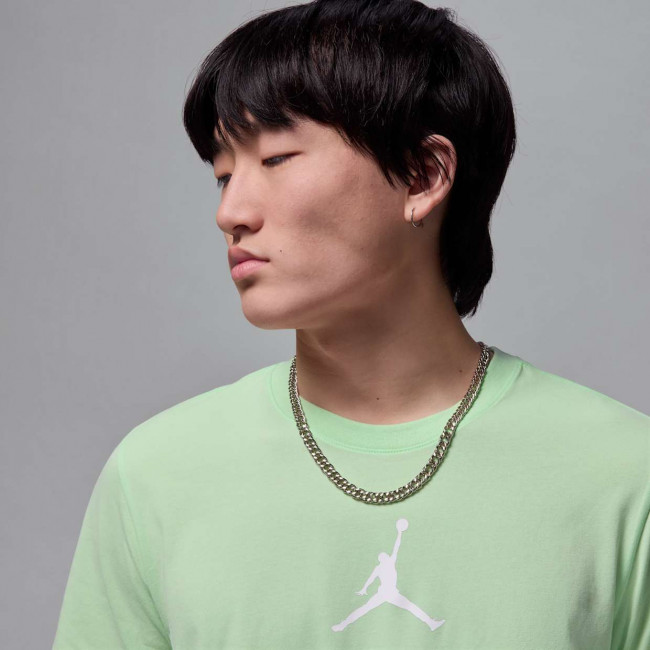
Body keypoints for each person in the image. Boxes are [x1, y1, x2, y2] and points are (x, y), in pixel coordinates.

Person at [52, 1, 649, 648]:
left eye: (276, 158)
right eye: (223, 175)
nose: (231, 212)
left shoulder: (623, 473)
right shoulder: (156, 474)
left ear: (422, 175)